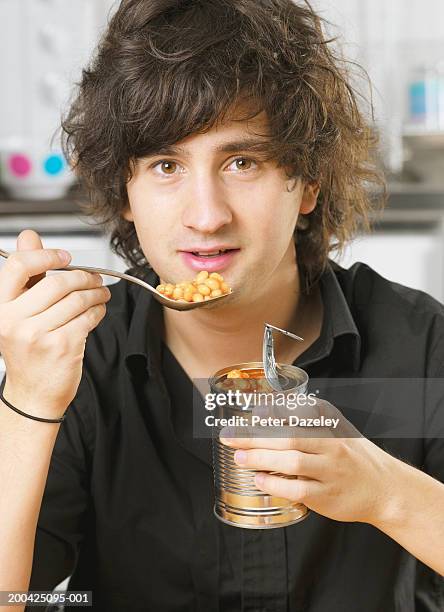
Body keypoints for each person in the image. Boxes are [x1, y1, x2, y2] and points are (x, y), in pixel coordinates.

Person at [0, 0, 443, 610]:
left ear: (308, 181)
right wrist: (27, 400)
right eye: (165, 165)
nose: (207, 216)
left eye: (242, 162)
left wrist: (387, 494)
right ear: (124, 193)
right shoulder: (81, 362)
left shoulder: (420, 345)